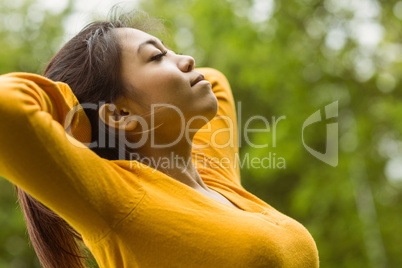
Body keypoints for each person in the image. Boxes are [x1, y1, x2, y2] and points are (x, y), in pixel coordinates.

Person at [0, 9, 319, 268]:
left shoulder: (212, 175)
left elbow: (216, 82)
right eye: (156, 57)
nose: (187, 60)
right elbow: (6, 105)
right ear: (119, 115)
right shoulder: (119, 200)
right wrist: (77, 118)